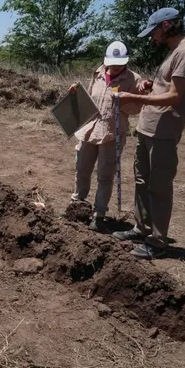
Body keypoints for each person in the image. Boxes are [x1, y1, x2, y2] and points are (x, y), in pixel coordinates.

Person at [112, 8, 185, 259]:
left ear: (165, 26)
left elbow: (175, 97)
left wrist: (132, 96)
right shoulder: (174, 53)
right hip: (148, 127)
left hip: (164, 131)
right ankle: (141, 229)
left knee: (159, 186)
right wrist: (150, 87)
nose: (152, 38)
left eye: (153, 32)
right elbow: (168, 87)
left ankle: (158, 242)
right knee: (142, 181)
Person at [68, 41, 150, 232]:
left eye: (119, 63)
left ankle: (99, 215)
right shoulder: (97, 73)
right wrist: (75, 93)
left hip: (112, 133)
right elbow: (88, 99)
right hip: (89, 130)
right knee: (82, 168)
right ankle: (77, 206)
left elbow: (135, 109)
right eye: (112, 63)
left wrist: (124, 99)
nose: (115, 67)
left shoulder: (133, 79)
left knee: (105, 176)